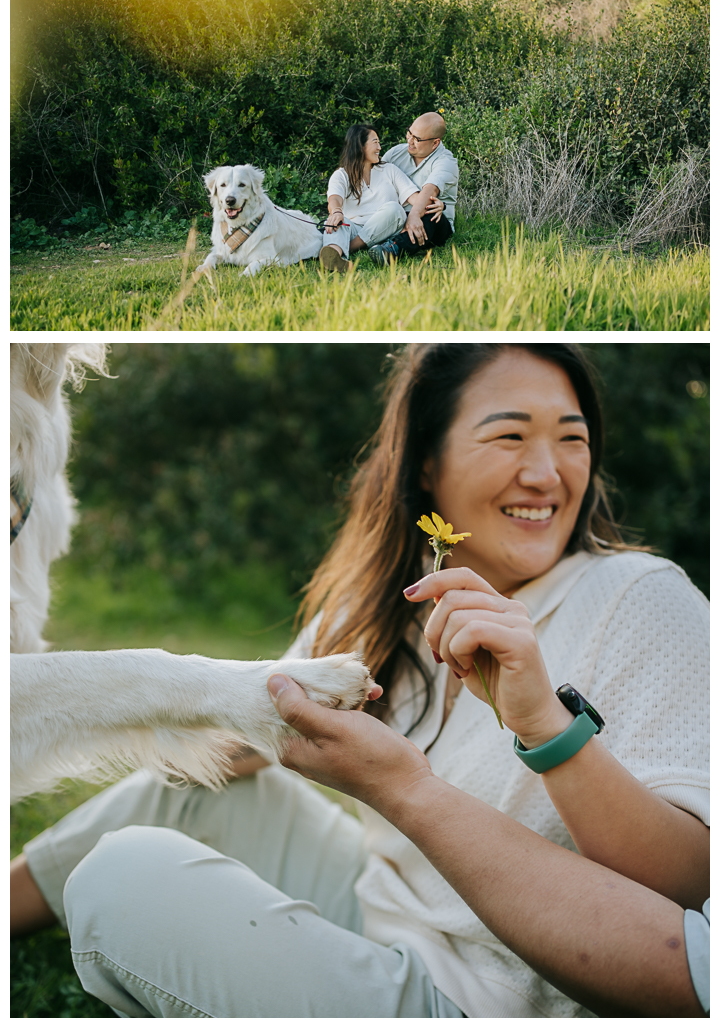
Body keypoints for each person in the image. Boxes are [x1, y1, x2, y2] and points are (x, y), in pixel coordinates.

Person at [10, 344, 709, 1019]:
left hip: (486, 997)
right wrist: (246, 716)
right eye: (510, 438)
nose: (546, 473)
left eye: (572, 439)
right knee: (197, 797)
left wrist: (547, 732)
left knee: (123, 880)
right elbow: (243, 741)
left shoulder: (638, 595)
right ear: (427, 465)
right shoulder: (385, 609)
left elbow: (689, 883)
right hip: (380, 917)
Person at [267, 672, 710, 1018]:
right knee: (207, 802)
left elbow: (689, 922)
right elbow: (255, 734)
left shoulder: (636, 591)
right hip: (386, 898)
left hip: (472, 991)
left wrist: (402, 786)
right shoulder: (371, 595)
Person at [319, 124, 425, 275]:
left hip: (385, 227)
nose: (380, 148)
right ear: (360, 146)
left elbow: (414, 197)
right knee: (337, 222)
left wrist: (433, 203)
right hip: (354, 227)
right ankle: (334, 255)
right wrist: (336, 212)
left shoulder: (389, 170)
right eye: (375, 142)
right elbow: (335, 197)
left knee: (395, 209)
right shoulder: (341, 174)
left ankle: (349, 247)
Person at [368, 110, 458, 266]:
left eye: (417, 139)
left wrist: (415, 214)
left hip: (433, 221)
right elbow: (374, 178)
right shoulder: (397, 153)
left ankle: (392, 249)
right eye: (409, 133)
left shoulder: (446, 162)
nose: (410, 141)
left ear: (435, 143)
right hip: (397, 214)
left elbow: (430, 190)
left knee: (430, 214)